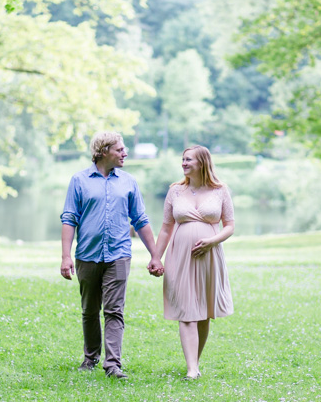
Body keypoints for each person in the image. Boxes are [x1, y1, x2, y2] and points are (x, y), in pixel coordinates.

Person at [60, 131, 163, 379]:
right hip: (87, 254)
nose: (125, 153)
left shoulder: (128, 182)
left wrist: (156, 256)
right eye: (120, 149)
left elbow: (140, 220)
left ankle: (112, 364)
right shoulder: (79, 180)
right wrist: (65, 256)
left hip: (118, 254)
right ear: (104, 151)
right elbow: (69, 219)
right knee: (89, 310)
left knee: (114, 310)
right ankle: (90, 357)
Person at [152, 146, 234, 379]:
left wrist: (212, 241)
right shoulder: (175, 191)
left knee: (203, 312)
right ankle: (191, 369)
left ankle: (194, 363)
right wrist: (156, 256)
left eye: (189, 160)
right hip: (180, 256)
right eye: (183, 159)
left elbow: (229, 225)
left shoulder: (220, 190)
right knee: (187, 310)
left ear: (202, 163)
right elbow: (166, 228)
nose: (184, 163)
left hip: (209, 256)